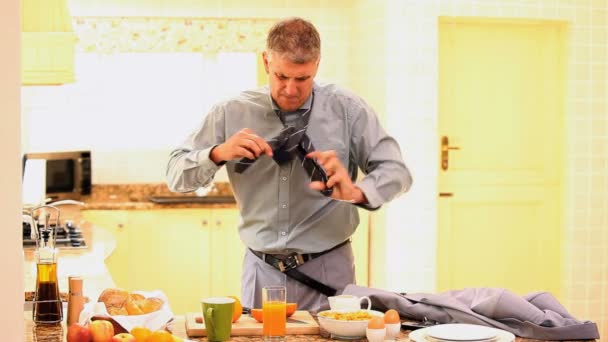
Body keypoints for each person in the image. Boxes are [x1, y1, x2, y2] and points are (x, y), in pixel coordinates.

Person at [166, 17, 412, 312]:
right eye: (282, 76)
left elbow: (396, 171)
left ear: (317, 65)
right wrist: (218, 153)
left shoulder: (348, 110)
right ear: (266, 62)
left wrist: (356, 192)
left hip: (329, 269)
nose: (291, 89)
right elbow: (176, 174)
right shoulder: (231, 112)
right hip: (261, 271)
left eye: (302, 78)